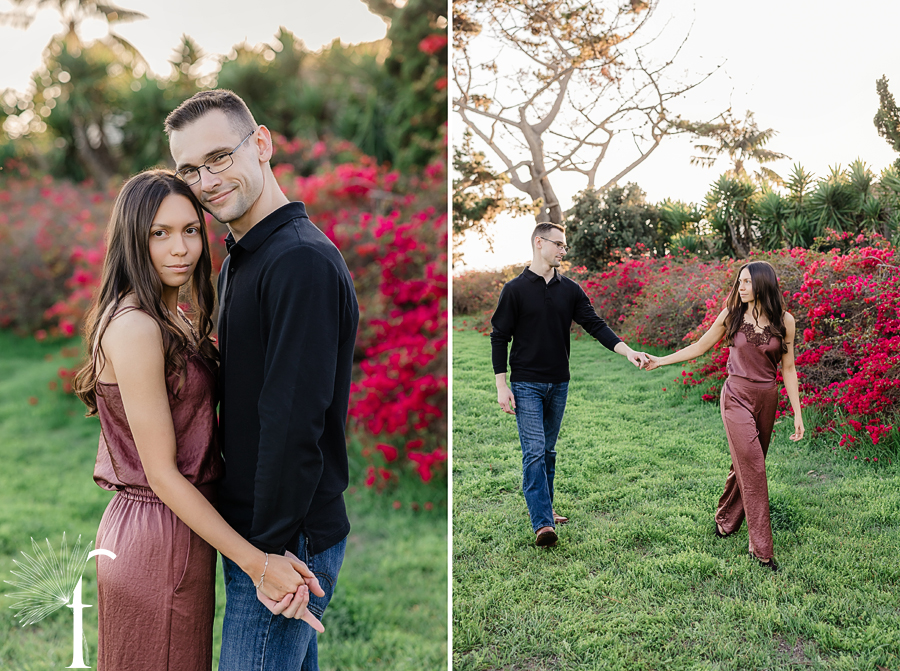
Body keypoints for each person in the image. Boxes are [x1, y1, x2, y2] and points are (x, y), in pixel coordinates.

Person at [74, 169, 323, 670]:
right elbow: (163, 474)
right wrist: (258, 565)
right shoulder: (135, 327)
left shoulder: (172, 317)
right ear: (132, 239)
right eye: (159, 233)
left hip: (175, 529)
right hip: (158, 534)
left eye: (190, 230)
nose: (180, 248)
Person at [165, 89, 359, 670]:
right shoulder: (243, 259)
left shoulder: (299, 261)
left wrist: (266, 554)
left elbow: (292, 421)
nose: (206, 181)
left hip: (284, 537)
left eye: (219, 157)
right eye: (190, 170)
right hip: (257, 529)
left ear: (262, 144)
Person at [490, 222, 649, 547]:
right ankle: (543, 524)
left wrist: (628, 351)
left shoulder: (570, 290)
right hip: (526, 384)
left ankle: (545, 508)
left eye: (564, 245)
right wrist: (501, 385)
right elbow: (499, 337)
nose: (564, 250)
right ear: (539, 243)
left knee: (547, 450)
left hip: (559, 383)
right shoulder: (514, 289)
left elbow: (595, 325)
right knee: (534, 451)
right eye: (559, 244)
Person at [644, 260, 805, 572]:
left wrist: (798, 412)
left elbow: (788, 368)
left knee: (744, 465)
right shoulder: (732, 314)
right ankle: (762, 550)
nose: (740, 287)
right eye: (739, 281)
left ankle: (725, 520)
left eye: (746, 282)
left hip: (767, 398)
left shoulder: (785, 321)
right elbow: (700, 346)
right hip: (736, 397)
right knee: (754, 467)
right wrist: (660, 361)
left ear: (762, 283)